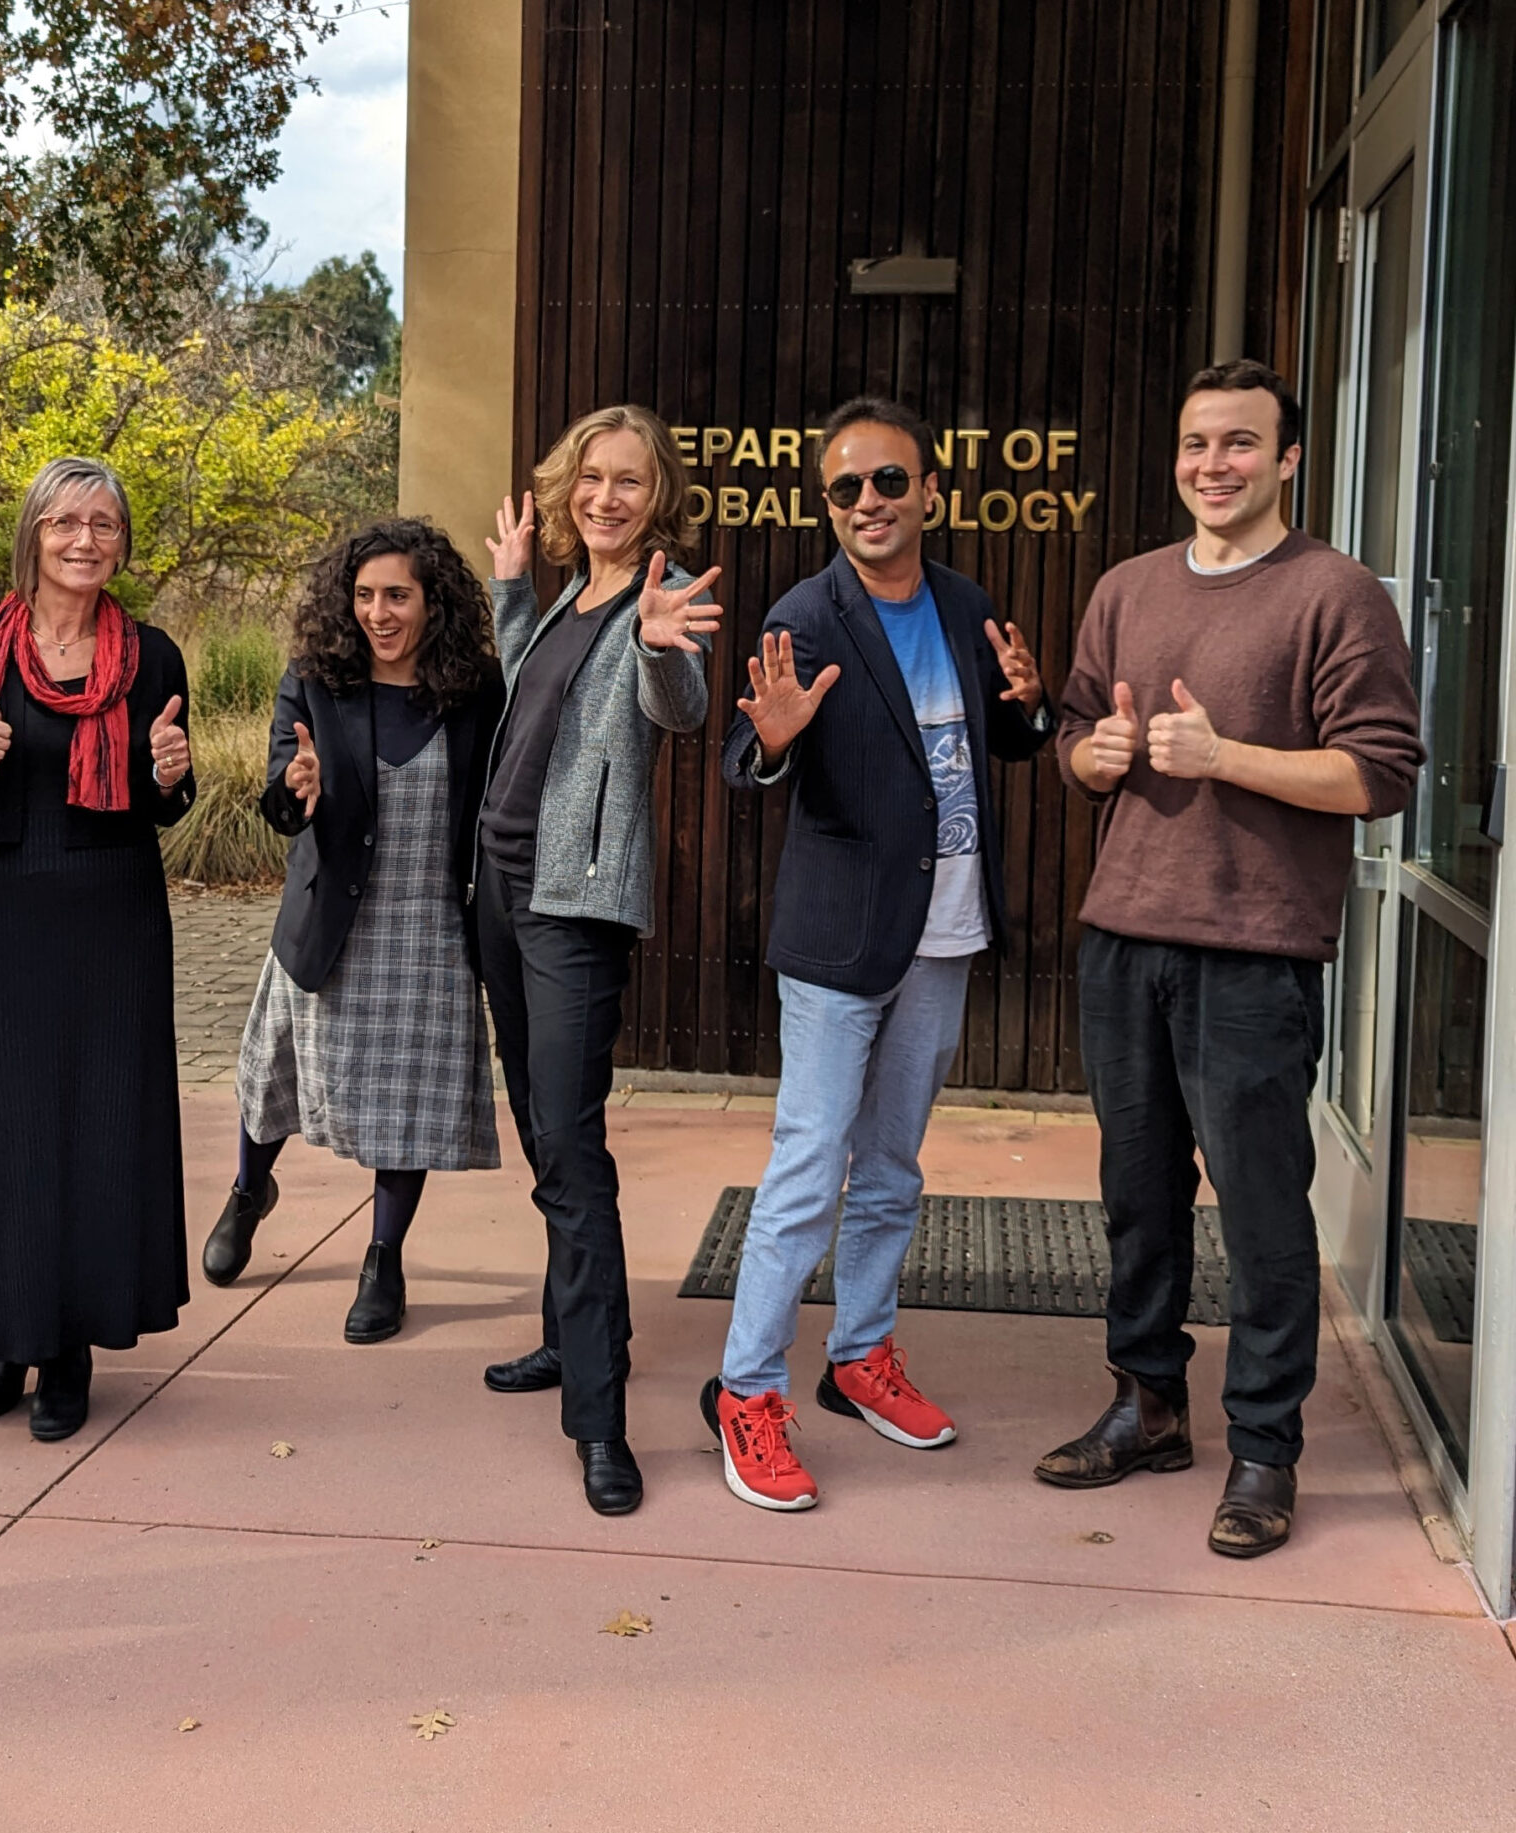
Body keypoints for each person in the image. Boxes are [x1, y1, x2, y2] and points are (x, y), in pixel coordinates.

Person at [1039, 360, 1421, 1557]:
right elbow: (1065, 730)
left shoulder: (1336, 593)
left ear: (1288, 459)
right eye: (1199, 442)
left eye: (1242, 444)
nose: (1215, 464)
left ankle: (1265, 1447)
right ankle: (1147, 1402)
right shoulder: (1127, 585)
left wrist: (1225, 754)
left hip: (1254, 952)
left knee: (1260, 1210)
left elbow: (1379, 774)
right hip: (1122, 933)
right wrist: (1088, 757)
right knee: (1135, 1197)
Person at [704, 396, 1052, 1512]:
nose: (867, 502)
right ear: (828, 504)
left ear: (928, 493)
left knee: (892, 1167)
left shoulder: (963, 604)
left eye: (887, 482)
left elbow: (998, 734)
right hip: (840, 942)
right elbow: (740, 758)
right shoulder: (806, 616)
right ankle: (747, 1390)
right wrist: (767, 746)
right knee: (808, 1169)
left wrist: (1036, 711)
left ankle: (859, 1357)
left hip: (942, 929)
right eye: (845, 487)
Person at [0, 457, 197, 1442]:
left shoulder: (153, 657)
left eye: (104, 525)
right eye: (65, 522)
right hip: (6, 914)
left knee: (96, 1126)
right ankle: (5, 1329)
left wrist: (172, 774)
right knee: (7, 1125)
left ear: (121, 541)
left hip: (114, 915)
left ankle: (69, 1346)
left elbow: (170, 796)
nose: (86, 540)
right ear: (33, 533)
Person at [477, 404, 720, 1516]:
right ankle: (572, 1332)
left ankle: (599, 1416)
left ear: (655, 493)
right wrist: (514, 589)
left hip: (574, 911)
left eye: (627, 480)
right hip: (501, 894)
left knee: (571, 1151)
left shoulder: (654, 601)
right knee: (540, 1124)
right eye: (589, 477)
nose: (604, 496)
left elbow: (674, 705)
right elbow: (528, 695)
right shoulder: (571, 596)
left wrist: (668, 648)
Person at [207, 518, 508, 1341]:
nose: (379, 612)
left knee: (407, 1100)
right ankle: (247, 1189)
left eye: (398, 596)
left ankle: (384, 1259)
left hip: (429, 926)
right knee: (273, 1074)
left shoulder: (475, 687)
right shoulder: (314, 680)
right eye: (366, 595)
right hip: (331, 917)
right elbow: (279, 795)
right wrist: (293, 787)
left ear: (431, 602)